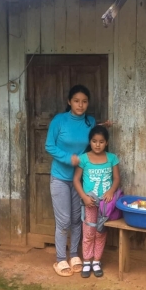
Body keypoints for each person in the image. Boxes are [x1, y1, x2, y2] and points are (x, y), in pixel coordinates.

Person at [45, 85, 96, 277]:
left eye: (84, 101)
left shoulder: (90, 122)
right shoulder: (59, 120)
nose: (80, 105)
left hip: (79, 179)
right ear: (69, 102)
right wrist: (69, 158)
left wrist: (103, 126)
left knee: (76, 219)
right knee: (64, 220)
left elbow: (94, 140)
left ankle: (74, 255)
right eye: (76, 101)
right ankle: (60, 259)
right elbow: (49, 146)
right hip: (60, 177)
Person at [73, 125, 120, 278]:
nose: (97, 145)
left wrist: (111, 191)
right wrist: (84, 197)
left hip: (105, 205)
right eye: (94, 141)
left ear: (106, 142)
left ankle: (97, 261)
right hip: (90, 203)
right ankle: (87, 261)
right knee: (88, 232)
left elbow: (117, 178)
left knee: (101, 232)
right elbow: (76, 180)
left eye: (101, 142)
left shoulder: (112, 158)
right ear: (90, 142)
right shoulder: (84, 159)